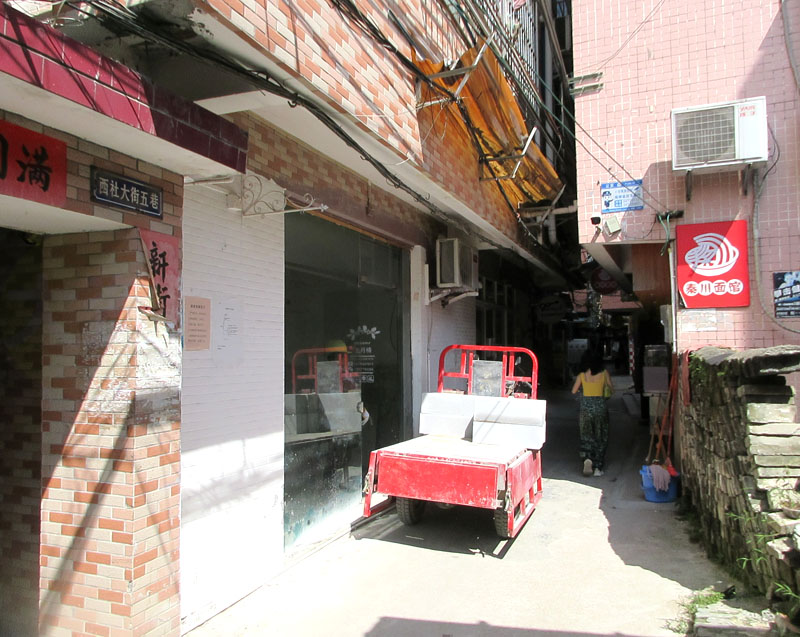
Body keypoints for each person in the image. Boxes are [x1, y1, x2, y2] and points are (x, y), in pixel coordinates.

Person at [571, 349, 613, 477]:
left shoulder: (582, 375)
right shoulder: (604, 373)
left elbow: (573, 391)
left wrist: (583, 390)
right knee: (601, 436)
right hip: (600, 407)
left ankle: (587, 458)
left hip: (585, 408)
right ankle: (598, 467)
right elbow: (611, 389)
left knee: (586, 435)